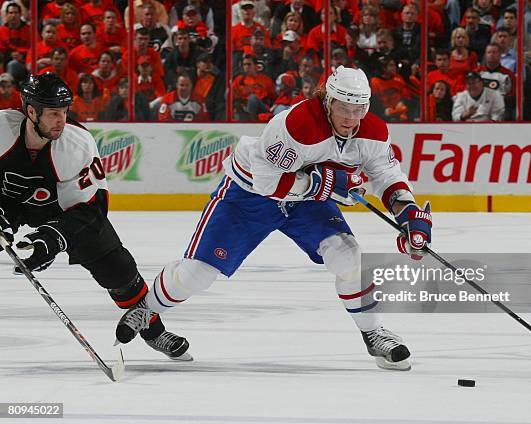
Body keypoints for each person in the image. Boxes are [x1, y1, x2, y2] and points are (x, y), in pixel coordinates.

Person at [113, 66, 433, 371]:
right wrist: (322, 185)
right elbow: (268, 183)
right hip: (250, 194)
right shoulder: (297, 123)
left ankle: (373, 333)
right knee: (197, 274)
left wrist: (408, 213)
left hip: (306, 201)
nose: (351, 117)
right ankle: (147, 310)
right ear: (327, 101)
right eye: (343, 107)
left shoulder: (374, 131)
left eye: (358, 108)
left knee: (349, 256)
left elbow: (386, 174)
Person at [0, 73, 191, 360]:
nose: (61, 120)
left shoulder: (76, 144)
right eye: (53, 113)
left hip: (65, 211)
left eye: (64, 112)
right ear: (30, 111)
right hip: (9, 201)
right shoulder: (2, 129)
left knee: (118, 268)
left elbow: (91, 212)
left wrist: (53, 240)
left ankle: (153, 331)